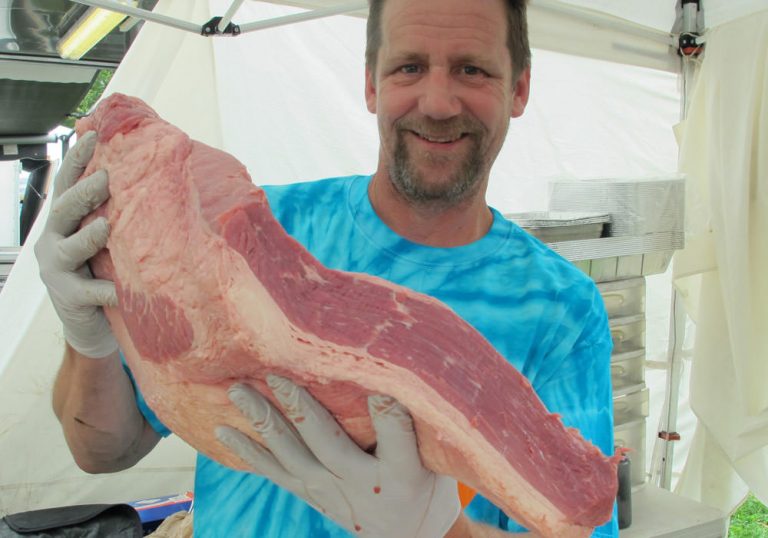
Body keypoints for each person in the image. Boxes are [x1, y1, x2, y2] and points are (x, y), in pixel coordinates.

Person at [35, 0, 618, 536]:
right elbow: (103, 450)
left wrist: (437, 529)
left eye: (472, 70)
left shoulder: (561, 308)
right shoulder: (250, 231)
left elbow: (575, 520)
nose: (439, 103)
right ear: (371, 85)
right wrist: (89, 338)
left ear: (519, 89)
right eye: (409, 68)